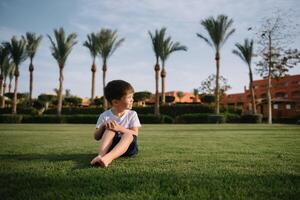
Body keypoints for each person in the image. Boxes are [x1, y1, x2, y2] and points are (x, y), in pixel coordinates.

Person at [90, 80, 141, 167]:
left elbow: (135, 133)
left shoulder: (132, 114)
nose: (132, 100)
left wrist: (119, 128)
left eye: (132, 97)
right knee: (109, 130)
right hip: (110, 147)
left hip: (129, 148)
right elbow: (96, 137)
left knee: (128, 134)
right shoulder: (105, 115)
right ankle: (101, 156)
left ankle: (107, 159)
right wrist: (103, 126)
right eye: (129, 97)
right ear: (115, 102)